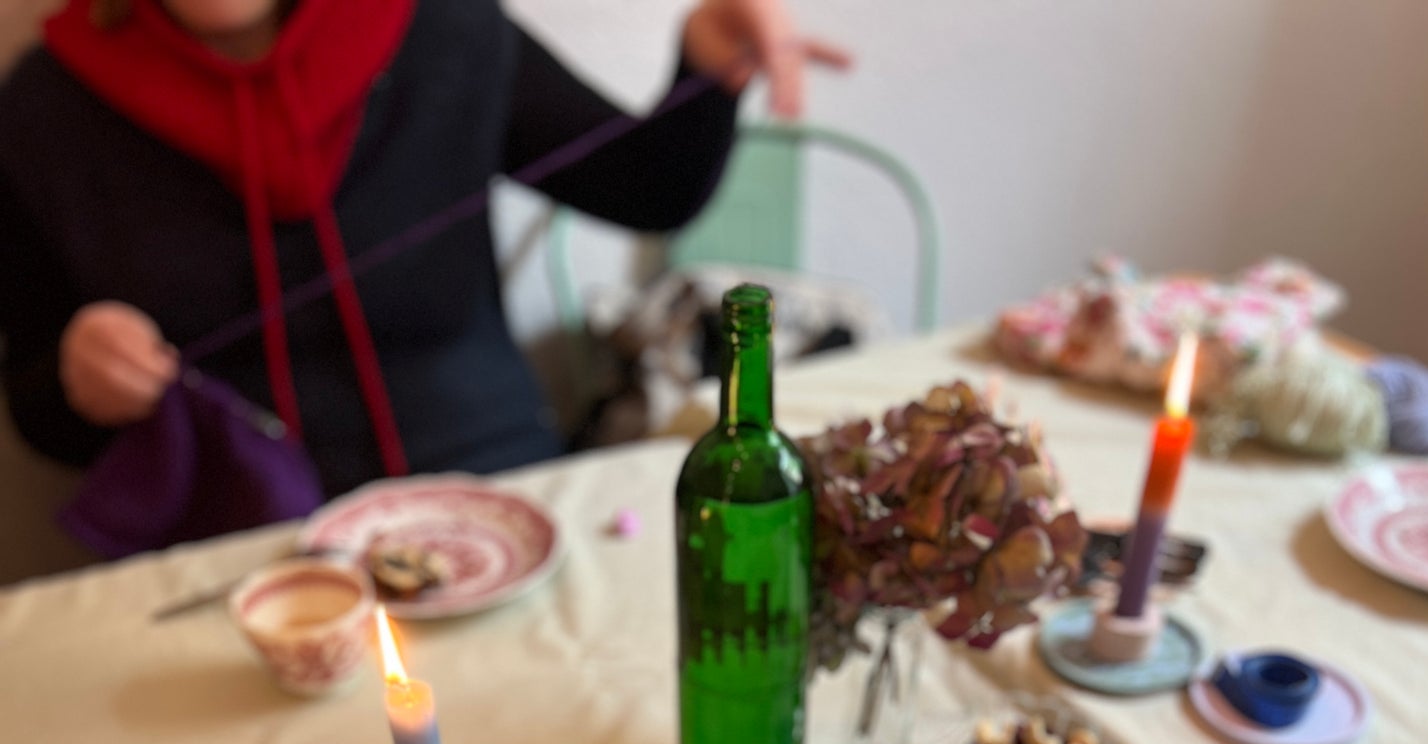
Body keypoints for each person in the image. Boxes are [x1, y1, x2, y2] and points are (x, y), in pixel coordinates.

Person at [0, 0, 848, 500]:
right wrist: (81, 381)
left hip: (493, 496)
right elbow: (41, 415)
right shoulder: (41, 112)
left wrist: (702, 67)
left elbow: (645, 189)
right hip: (230, 545)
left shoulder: (435, 25)